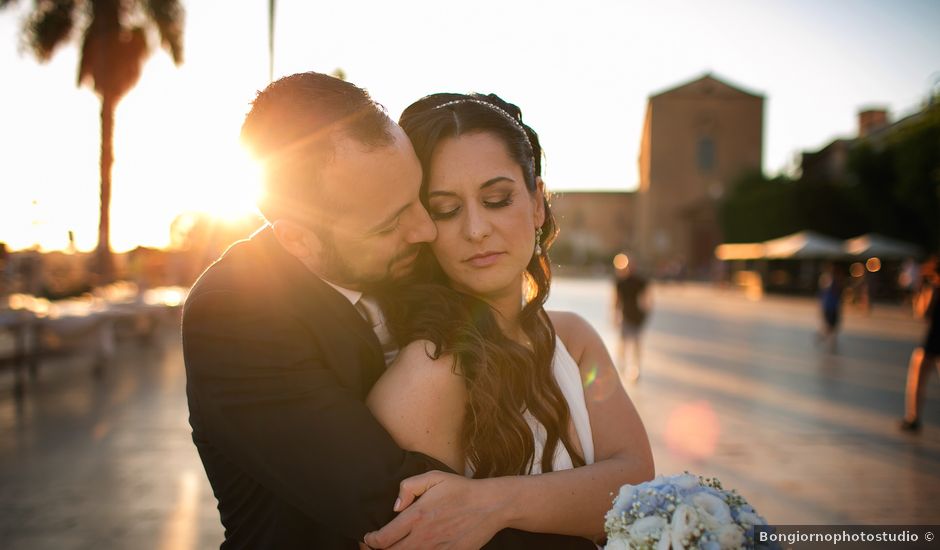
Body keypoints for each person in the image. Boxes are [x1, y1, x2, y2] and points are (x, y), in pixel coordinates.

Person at [182, 73, 598, 549]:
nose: (424, 231)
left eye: (418, 199)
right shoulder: (237, 315)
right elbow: (403, 510)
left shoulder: (402, 259)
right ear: (300, 240)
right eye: (391, 223)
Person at [362, 94, 654, 549]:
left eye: (497, 199)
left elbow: (636, 478)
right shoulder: (431, 371)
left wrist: (497, 502)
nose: (476, 229)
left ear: (538, 204)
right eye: (446, 209)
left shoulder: (573, 338)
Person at [901, 255, 940, 432]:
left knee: (917, 377)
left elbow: (922, 313)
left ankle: (913, 417)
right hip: (934, 339)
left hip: (933, 339)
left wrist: (921, 289)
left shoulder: (934, 288)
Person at [612, 255, 650, 381]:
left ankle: (635, 368)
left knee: (634, 344)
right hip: (627, 316)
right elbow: (616, 300)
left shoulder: (639, 281)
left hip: (635, 317)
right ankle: (623, 365)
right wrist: (615, 315)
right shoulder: (620, 282)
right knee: (624, 343)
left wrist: (644, 314)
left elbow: (646, 299)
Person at [817, 264, 844, 353]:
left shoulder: (835, 281)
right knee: (830, 325)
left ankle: (826, 337)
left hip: (833, 306)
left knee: (833, 325)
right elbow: (822, 293)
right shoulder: (827, 280)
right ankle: (825, 337)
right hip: (829, 306)